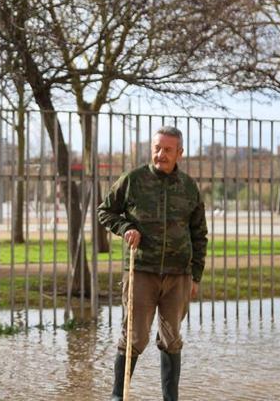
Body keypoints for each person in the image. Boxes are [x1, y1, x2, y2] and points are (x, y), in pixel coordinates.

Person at [97, 126, 208, 401]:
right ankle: (117, 396)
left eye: (168, 150)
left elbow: (199, 233)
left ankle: (170, 399)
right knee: (134, 336)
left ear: (179, 153)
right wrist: (125, 228)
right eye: (157, 148)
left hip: (178, 275)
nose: (161, 154)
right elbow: (105, 211)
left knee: (172, 339)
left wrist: (195, 276)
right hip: (142, 271)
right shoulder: (133, 180)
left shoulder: (189, 187)